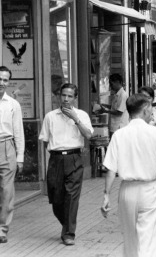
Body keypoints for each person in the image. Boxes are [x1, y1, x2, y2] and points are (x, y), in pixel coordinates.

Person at [101, 94, 156, 257]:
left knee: (130, 238)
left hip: (126, 191)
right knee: (148, 237)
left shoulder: (119, 135)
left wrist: (106, 195)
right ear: (144, 110)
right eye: (150, 109)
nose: (152, 113)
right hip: (148, 189)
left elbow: (110, 169)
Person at [39, 83, 94, 246]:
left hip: (74, 158)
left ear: (75, 98)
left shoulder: (82, 115)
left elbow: (88, 135)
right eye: (64, 95)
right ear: (59, 96)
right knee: (56, 199)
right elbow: (44, 140)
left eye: (70, 96)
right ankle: (67, 224)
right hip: (55, 159)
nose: (66, 99)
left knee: (71, 196)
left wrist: (75, 119)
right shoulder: (50, 116)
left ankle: (69, 233)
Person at [0, 66, 24, 244]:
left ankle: (2, 229)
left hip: (7, 147)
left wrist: (20, 157)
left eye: (5, 80)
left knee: (6, 192)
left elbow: (19, 132)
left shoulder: (13, 104)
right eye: (0, 79)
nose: (2, 83)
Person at [101, 73, 129, 138]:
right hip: (114, 125)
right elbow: (114, 107)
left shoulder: (123, 95)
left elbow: (119, 112)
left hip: (119, 126)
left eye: (111, 84)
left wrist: (106, 111)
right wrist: (104, 106)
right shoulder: (117, 94)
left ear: (117, 82)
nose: (111, 86)